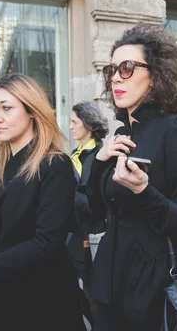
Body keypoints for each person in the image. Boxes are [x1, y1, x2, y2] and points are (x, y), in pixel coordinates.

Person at [85, 23, 177, 330]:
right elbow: (95, 211)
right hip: (112, 276)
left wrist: (145, 192)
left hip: (156, 285)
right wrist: (98, 161)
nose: (115, 76)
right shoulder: (123, 134)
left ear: (155, 76)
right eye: (111, 69)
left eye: (126, 67)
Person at [0, 74, 85, 331]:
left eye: (6, 108)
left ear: (31, 111)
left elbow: (47, 242)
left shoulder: (54, 164)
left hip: (42, 297)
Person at [68, 101, 108, 327]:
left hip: (94, 234)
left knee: (93, 288)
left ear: (89, 124)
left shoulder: (102, 155)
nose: (71, 126)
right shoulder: (75, 154)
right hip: (75, 233)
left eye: (75, 122)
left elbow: (94, 201)